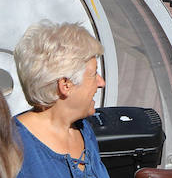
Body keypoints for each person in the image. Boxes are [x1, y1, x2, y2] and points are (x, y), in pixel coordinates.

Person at [12, 22, 111, 178]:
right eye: (93, 74)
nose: (101, 82)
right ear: (65, 85)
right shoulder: (12, 148)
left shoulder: (83, 129)